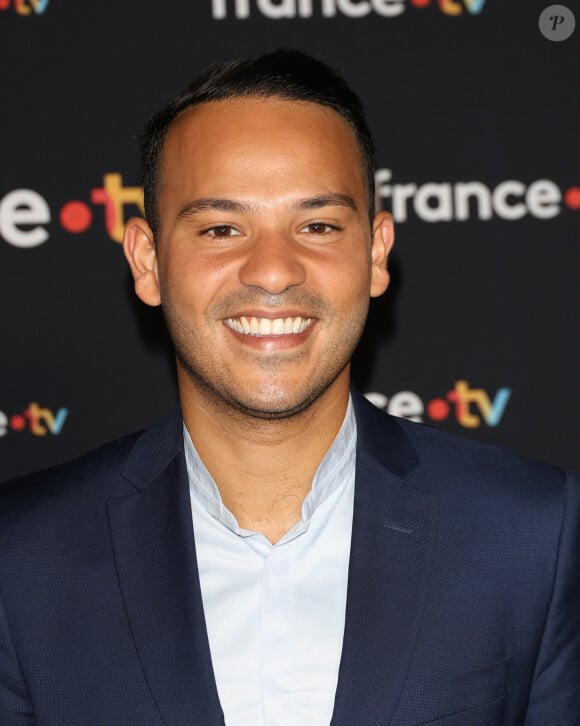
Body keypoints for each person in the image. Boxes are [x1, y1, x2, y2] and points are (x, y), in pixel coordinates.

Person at [0, 50, 578, 726]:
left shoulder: (531, 535)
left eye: (318, 226)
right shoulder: (21, 563)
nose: (273, 270)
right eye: (221, 228)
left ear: (375, 253)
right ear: (148, 262)